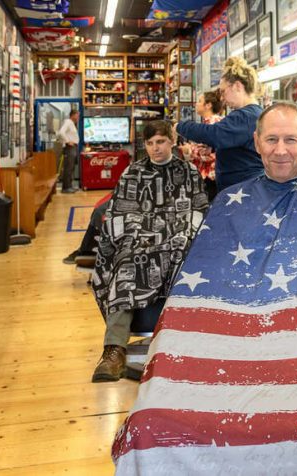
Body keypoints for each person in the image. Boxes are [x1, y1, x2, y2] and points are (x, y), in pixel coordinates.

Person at [111, 103, 297, 474]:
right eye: (271, 139)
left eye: (290, 139)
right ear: (256, 143)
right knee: (151, 423)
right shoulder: (228, 201)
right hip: (235, 334)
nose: (281, 149)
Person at [90, 120, 209, 382]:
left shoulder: (187, 172)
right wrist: (142, 231)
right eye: (151, 143)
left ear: (172, 142)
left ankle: (183, 342)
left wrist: (176, 231)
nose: (156, 148)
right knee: (124, 264)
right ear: (145, 145)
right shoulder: (133, 173)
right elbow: (119, 212)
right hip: (138, 238)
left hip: (177, 237)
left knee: (183, 252)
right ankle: (114, 350)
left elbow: (198, 210)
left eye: (161, 142)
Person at [175, 57, 264, 191]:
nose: (221, 98)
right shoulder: (252, 113)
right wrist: (214, 149)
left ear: (238, 86)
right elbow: (242, 145)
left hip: (244, 190)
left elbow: (213, 133)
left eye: (223, 91)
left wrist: (179, 126)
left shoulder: (245, 116)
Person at [179, 90, 224, 200]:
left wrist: (189, 150)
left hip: (211, 179)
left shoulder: (212, 124)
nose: (196, 104)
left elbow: (208, 154)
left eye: (199, 101)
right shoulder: (213, 122)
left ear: (208, 105)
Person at [57, 109, 80, 193]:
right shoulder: (68, 122)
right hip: (69, 148)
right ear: (73, 115)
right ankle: (65, 188)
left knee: (71, 168)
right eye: (77, 115)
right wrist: (67, 141)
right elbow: (61, 133)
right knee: (68, 168)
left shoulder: (72, 124)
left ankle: (69, 186)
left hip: (73, 147)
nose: (78, 117)